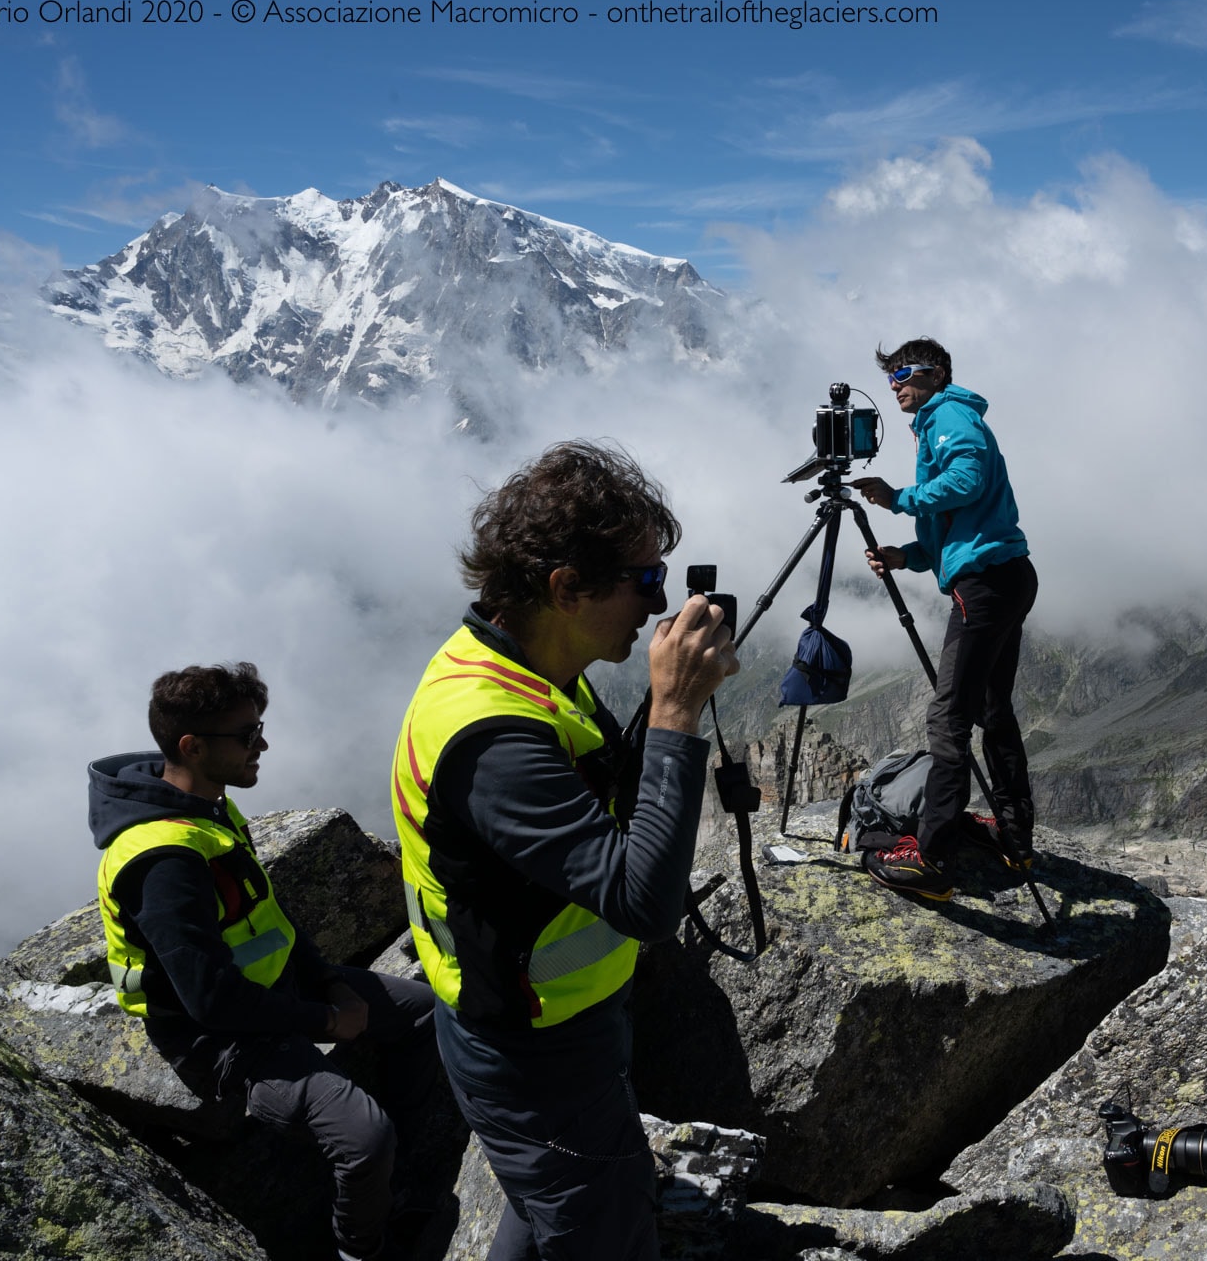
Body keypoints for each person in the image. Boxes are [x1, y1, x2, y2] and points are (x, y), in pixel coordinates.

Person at [390, 440, 737, 1261]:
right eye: (645, 582)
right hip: (534, 1049)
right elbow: (644, 904)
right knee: (604, 1231)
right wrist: (676, 713)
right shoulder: (491, 735)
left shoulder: (527, 666)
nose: (658, 605)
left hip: (555, 1018)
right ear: (566, 588)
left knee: (551, 1207)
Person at [91, 662, 440, 1261]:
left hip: (274, 991)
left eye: (260, 728)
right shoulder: (163, 860)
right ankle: (362, 1249)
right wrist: (325, 1021)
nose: (263, 744)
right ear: (192, 746)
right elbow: (211, 1000)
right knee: (364, 1136)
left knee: (428, 1012)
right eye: (248, 735)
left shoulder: (206, 811)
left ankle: (401, 1178)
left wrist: (330, 981)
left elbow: (269, 917)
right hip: (219, 1041)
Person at [853, 336, 1036, 901]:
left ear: (935, 372)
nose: (895, 386)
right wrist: (907, 555)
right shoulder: (942, 416)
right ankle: (1013, 835)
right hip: (1004, 575)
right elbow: (960, 518)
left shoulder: (949, 414)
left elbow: (966, 482)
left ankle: (928, 855)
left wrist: (898, 497)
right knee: (991, 710)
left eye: (903, 373)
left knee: (950, 716)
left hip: (982, 587)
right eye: (890, 378)